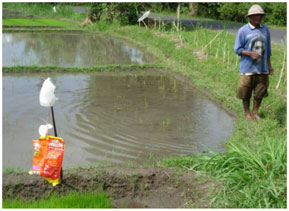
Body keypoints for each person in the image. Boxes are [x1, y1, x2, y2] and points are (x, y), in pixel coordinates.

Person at [234, 4, 274, 120]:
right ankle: (247, 113)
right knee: (245, 91)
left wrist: (269, 66)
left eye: (260, 15)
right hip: (247, 67)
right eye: (256, 15)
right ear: (250, 17)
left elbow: (268, 50)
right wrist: (250, 53)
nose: (259, 17)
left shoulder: (265, 29)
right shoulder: (243, 31)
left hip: (262, 67)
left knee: (260, 91)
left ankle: (255, 112)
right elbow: (237, 49)